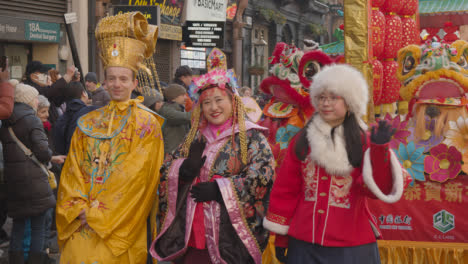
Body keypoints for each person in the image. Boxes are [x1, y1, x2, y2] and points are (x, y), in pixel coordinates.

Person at [263, 65, 409, 264]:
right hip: (304, 242)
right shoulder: (301, 140)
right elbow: (286, 190)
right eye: (321, 98)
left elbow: (379, 188)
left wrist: (379, 149)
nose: (326, 103)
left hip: (352, 247)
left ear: (349, 101)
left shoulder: (364, 141)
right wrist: (281, 237)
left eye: (333, 97)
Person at [55, 12, 164, 264]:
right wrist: (79, 207)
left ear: (134, 82)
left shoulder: (147, 124)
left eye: (123, 79)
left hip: (120, 222)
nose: (117, 84)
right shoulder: (88, 121)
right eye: (112, 78)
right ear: (104, 82)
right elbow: (74, 168)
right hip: (80, 218)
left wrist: (97, 213)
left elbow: (137, 178)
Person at [151, 69, 274, 264]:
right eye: (206, 102)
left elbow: (263, 176)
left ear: (233, 101)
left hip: (230, 235)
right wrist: (184, 170)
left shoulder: (251, 136)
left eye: (219, 100)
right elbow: (166, 168)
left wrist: (221, 190)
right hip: (193, 234)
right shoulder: (195, 136)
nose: (213, 107)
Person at [0, 83, 59, 263]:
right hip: (34, 182)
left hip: (14, 180)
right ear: (27, 100)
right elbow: (42, 152)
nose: (36, 101)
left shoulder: (6, 121)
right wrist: (51, 156)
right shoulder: (32, 119)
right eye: (34, 98)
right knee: (38, 226)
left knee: (18, 225)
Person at [23, 61, 75, 126]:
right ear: (33, 76)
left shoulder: (42, 87)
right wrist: (67, 77)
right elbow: (49, 92)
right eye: (44, 74)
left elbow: (57, 101)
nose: (46, 76)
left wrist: (71, 81)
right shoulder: (29, 88)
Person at [54, 82, 98, 155]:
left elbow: (59, 148)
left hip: (68, 162)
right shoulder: (92, 112)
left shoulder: (60, 120)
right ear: (83, 93)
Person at [159, 84, 191, 154]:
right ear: (174, 97)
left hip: (178, 151)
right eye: (183, 95)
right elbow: (187, 117)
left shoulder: (179, 108)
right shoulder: (166, 111)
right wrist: (199, 109)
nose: (186, 98)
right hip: (170, 153)